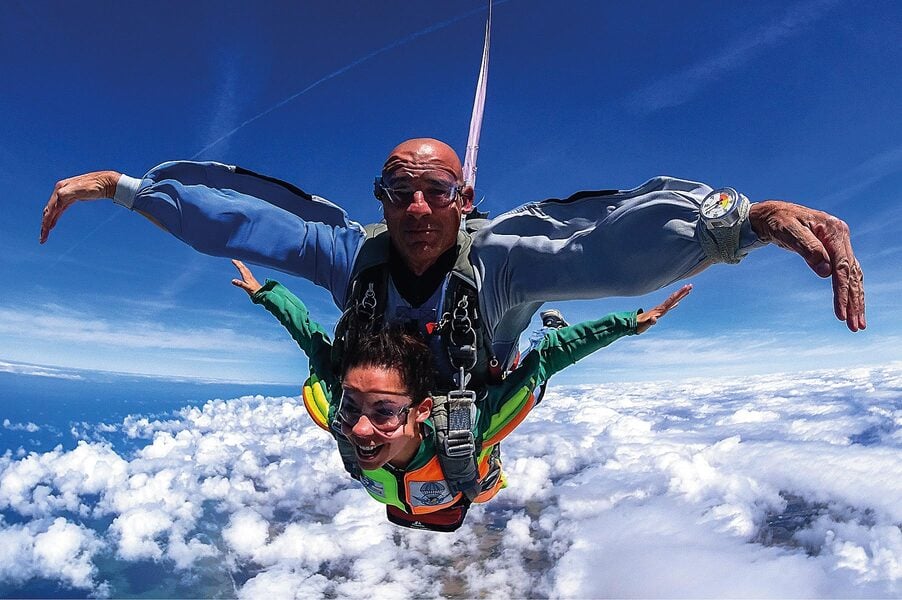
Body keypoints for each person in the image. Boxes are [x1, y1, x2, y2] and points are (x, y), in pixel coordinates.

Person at [39, 139, 865, 393]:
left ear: (462, 200)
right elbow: (247, 225)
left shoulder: (499, 261)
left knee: (538, 329)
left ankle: (531, 340)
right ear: (381, 199)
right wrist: (126, 189)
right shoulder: (352, 258)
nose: (418, 208)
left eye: (437, 191)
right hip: (403, 408)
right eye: (400, 191)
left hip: (482, 372)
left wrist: (736, 226)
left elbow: (605, 253)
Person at [230, 259, 690, 532]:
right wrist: (265, 294)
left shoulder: (469, 432)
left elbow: (546, 361)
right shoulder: (340, 416)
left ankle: (548, 323)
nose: (360, 428)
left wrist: (626, 323)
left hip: (465, 466)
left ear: (421, 410)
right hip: (456, 490)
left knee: (530, 382)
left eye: (384, 411)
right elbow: (316, 346)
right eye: (352, 404)